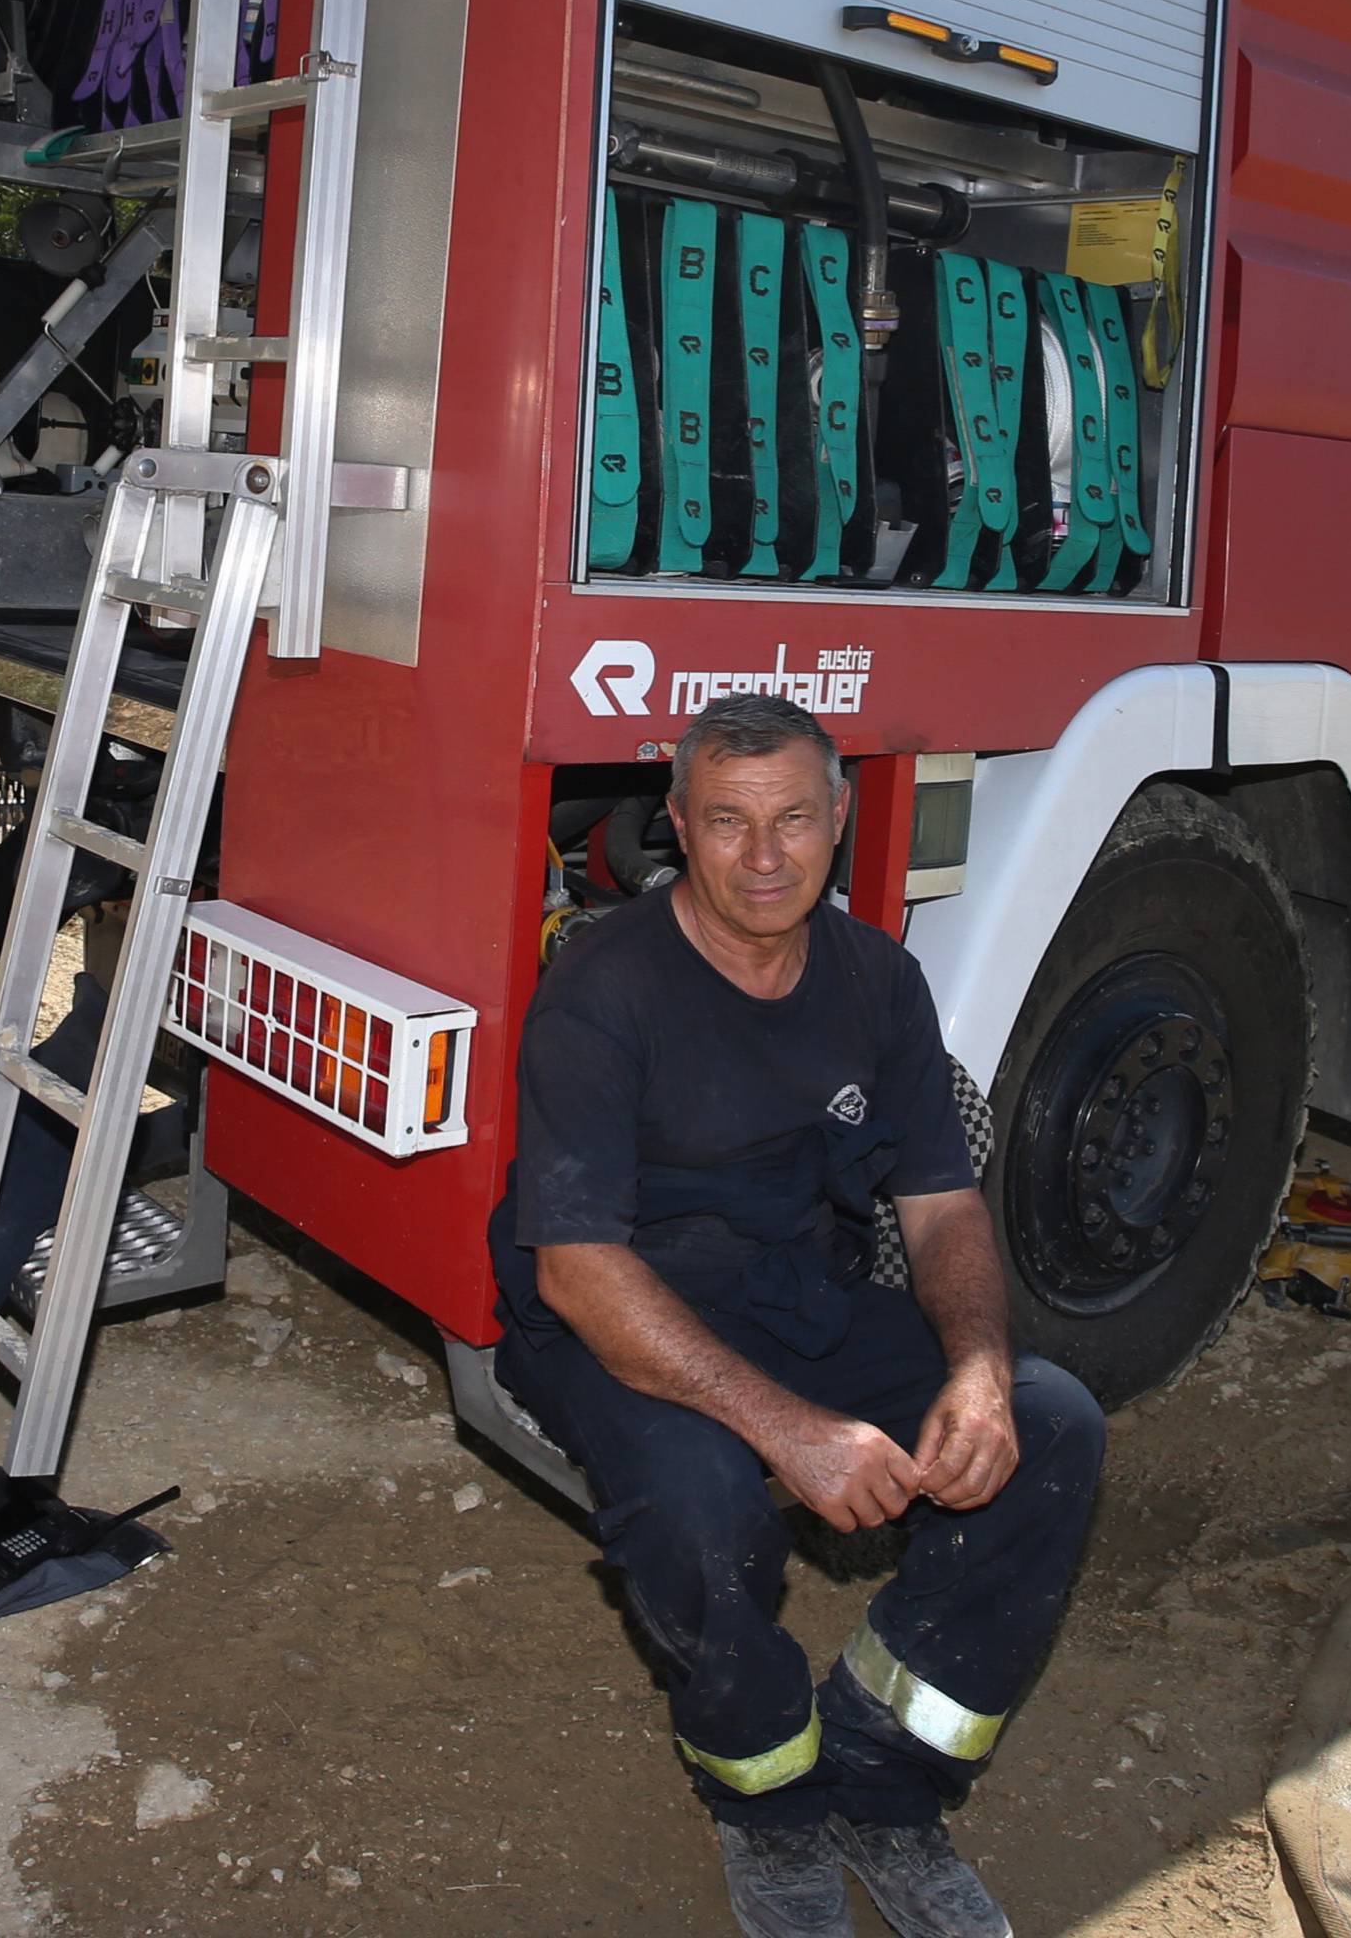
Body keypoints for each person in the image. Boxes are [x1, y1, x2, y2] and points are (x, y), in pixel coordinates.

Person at [491, 693, 1105, 1938]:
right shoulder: (605, 987)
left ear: (839, 818)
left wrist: (979, 1370)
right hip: (619, 1315)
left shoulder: (878, 978)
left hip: (793, 1291)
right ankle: (765, 1796)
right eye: (727, 821)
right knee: (702, 1510)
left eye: (791, 820)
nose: (764, 856)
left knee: (1049, 1424)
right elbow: (577, 1270)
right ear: (676, 825)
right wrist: (790, 1432)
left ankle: (887, 1777)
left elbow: (939, 1202)